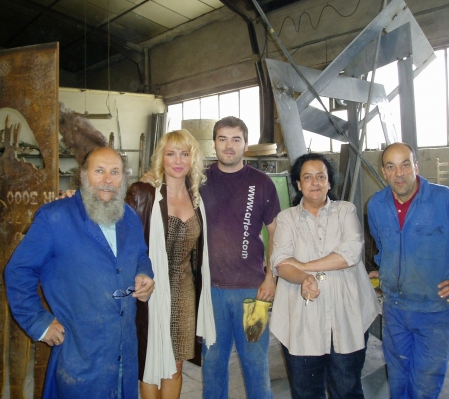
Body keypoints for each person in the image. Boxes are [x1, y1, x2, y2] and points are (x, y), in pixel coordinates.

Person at [5, 147, 155, 399]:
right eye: (99, 171)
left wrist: (144, 274)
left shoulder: (129, 217)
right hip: (79, 351)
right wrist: (39, 323)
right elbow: (19, 271)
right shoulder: (54, 218)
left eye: (115, 172)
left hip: (124, 348)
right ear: (83, 175)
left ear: (123, 179)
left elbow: (141, 256)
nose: (107, 180)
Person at [367, 142, 449, 398]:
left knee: (424, 386)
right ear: (384, 172)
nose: (399, 173)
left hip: (434, 311)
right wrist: (387, 269)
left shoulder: (446, 200)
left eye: (405, 164)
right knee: (398, 380)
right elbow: (385, 246)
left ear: (416, 165)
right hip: (395, 311)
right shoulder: (376, 205)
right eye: (391, 167)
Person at [270, 153, 380, 399]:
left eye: (321, 176)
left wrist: (303, 265)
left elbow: (349, 253)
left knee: (346, 386)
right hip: (301, 316)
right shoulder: (286, 219)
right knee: (306, 390)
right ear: (298, 185)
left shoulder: (345, 211)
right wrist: (303, 278)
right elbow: (281, 263)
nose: (315, 183)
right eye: (307, 177)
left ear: (330, 183)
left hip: (347, 313)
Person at [125, 129, 216, 399]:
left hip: (184, 291)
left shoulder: (198, 197)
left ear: (192, 159)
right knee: (150, 362)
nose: (178, 160)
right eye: (171, 153)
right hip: (150, 288)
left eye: (184, 154)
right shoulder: (143, 192)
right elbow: (118, 231)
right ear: (161, 158)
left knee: (175, 363)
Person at [200, 116, 280, 398]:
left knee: (255, 363)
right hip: (212, 293)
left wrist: (271, 277)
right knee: (212, 364)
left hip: (254, 293)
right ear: (214, 143)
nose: (229, 146)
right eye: (223, 139)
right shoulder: (199, 180)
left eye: (236, 139)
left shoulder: (262, 183)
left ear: (246, 144)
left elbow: (276, 233)